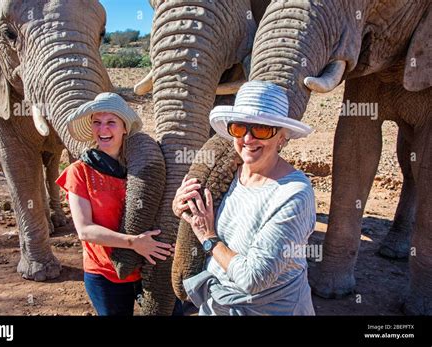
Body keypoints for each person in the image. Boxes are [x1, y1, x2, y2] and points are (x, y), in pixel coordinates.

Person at [172, 81, 316, 315]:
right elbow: (201, 218)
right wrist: (183, 207)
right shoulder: (228, 173)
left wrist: (208, 238)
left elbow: (252, 278)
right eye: (239, 128)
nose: (248, 138)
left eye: (261, 128)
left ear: (282, 137)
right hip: (217, 304)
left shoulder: (294, 194)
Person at [56, 92, 174, 316]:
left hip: (145, 266)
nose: (103, 130)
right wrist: (133, 243)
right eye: (97, 123)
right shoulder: (79, 171)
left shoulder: (140, 167)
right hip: (104, 273)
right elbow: (85, 230)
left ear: (124, 128)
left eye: (111, 122)